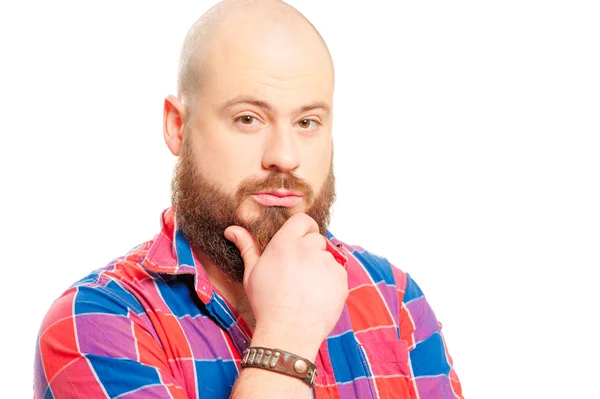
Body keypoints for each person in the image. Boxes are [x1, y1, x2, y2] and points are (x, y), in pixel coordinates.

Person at [33, 0, 462, 397]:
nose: (285, 157)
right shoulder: (99, 323)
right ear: (177, 127)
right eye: (248, 118)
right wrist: (286, 337)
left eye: (307, 122)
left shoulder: (395, 300)